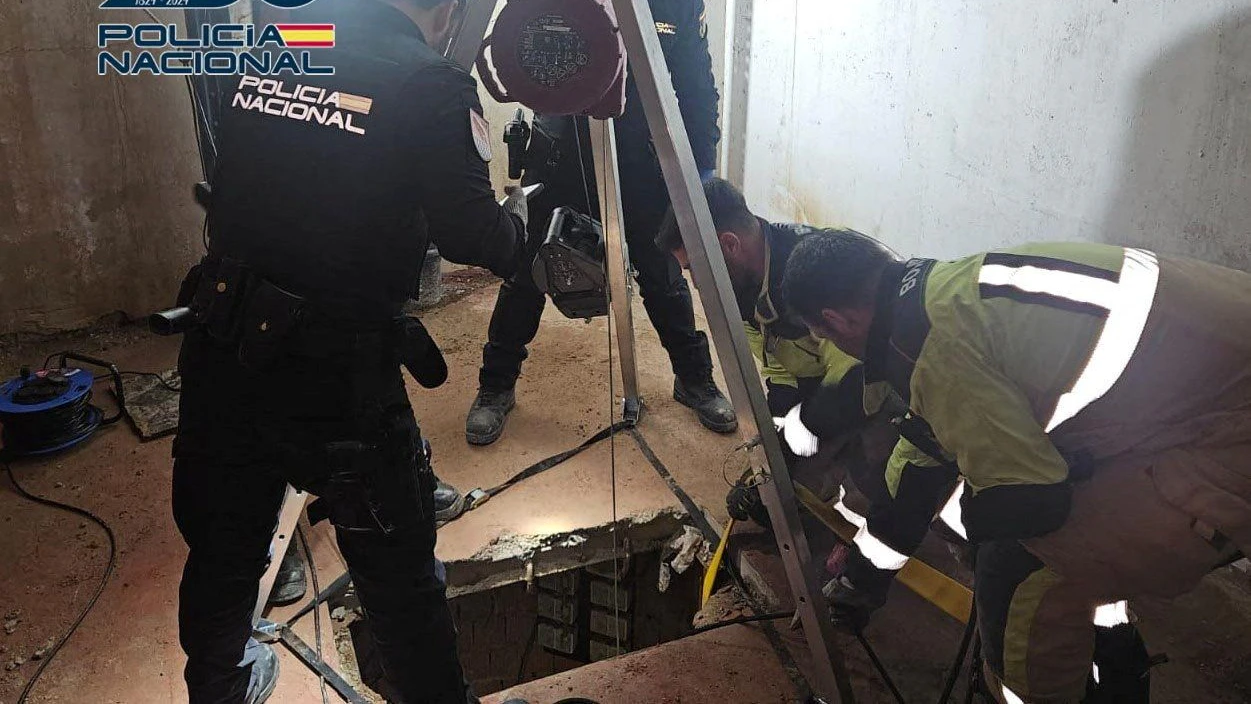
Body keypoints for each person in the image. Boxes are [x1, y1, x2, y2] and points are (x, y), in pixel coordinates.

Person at [171, 0, 534, 701]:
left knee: (222, 551)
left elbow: (252, 171)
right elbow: (470, 235)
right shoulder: (430, 81)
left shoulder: (283, 40)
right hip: (337, 374)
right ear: (451, 10)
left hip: (223, 340)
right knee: (399, 584)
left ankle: (217, 687)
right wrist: (524, 225)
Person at [782, 233, 1251, 702]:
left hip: (1226, 440)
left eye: (826, 337)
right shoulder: (951, 289)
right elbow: (928, 453)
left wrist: (981, 520)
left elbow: (1033, 501)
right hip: (1200, 399)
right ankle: (1116, 665)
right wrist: (865, 576)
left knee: (1017, 568)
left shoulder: (933, 351)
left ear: (837, 319)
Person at [655, 179, 956, 628]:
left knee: (876, 475)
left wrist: (795, 442)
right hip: (837, 392)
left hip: (890, 395)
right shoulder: (741, 287)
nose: (693, 282)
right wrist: (774, 451)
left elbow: (858, 384)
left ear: (728, 244)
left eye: (691, 268)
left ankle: (900, 562)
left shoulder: (811, 278)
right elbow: (779, 372)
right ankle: (841, 527)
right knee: (792, 469)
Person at [466, 0, 736, 445]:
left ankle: (694, 379)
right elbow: (515, 48)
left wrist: (701, 163)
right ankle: (496, 385)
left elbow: (694, 81)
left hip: (641, 149)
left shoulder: (678, 4)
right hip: (559, 143)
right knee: (528, 267)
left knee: (660, 269)